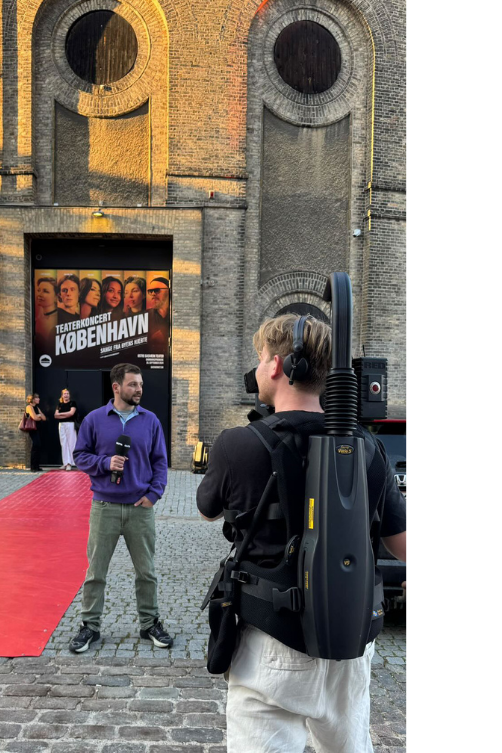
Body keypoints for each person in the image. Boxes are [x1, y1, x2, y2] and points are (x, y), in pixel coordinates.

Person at [196, 314, 407, 753]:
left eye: (260, 358)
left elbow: (206, 511)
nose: (257, 368)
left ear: (277, 365)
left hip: (270, 642)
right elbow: (402, 544)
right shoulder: (368, 448)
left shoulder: (237, 444)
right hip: (348, 640)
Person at [69, 363, 173, 653]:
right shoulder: (94, 420)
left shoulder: (150, 421)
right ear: (116, 387)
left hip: (140, 509)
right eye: (133, 384)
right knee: (96, 572)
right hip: (104, 507)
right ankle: (90, 626)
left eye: (140, 384)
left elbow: (160, 461)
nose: (139, 389)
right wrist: (105, 463)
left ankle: (149, 623)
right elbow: (80, 456)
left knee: (146, 572)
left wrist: (154, 494)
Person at [34, 277, 59, 357]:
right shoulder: (37, 319)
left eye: (45, 291)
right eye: (38, 290)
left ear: (56, 297)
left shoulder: (60, 318)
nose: (39, 294)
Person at [55, 388, 78, 470]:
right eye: (64, 394)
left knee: (71, 443)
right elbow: (55, 415)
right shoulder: (59, 404)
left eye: (67, 393)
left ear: (69, 395)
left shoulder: (72, 403)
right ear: (62, 395)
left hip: (70, 424)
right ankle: (65, 463)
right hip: (61, 425)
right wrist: (66, 415)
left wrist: (60, 414)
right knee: (63, 443)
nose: (66, 395)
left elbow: (71, 413)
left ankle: (70, 463)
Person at [146, 276, 170, 355]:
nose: (153, 294)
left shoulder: (176, 316)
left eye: (156, 290)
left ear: (169, 292)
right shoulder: (145, 316)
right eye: (150, 291)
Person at [24, 393, 47, 472]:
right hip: (33, 429)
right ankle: (33, 466)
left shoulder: (37, 407)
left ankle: (37, 466)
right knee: (35, 445)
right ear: (33, 399)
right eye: (37, 398)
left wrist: (39, 415)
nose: (39, 399)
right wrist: (39, 416)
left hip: (38, 429)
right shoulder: (29, 407)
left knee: (38, 446)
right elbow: (35, 418)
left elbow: (44, 418)